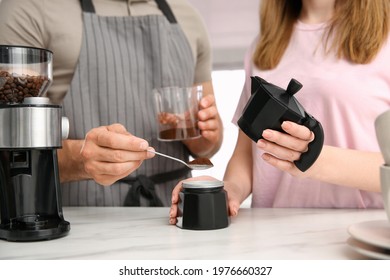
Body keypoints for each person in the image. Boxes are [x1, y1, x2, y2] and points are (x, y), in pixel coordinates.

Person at [170, 0, 390, 224]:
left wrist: (312, 159)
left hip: (359, 232)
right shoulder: (263, 46)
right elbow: (246, 153)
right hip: (272, 232)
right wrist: (228, 191)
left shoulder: (386, 38)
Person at [0, 0, 223, 206]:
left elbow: (208, 144)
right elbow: (10, 148)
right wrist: (80, 159)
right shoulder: (28, 10)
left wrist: (205, 136)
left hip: (175, 214)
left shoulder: (187, 17)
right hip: (76, 217)